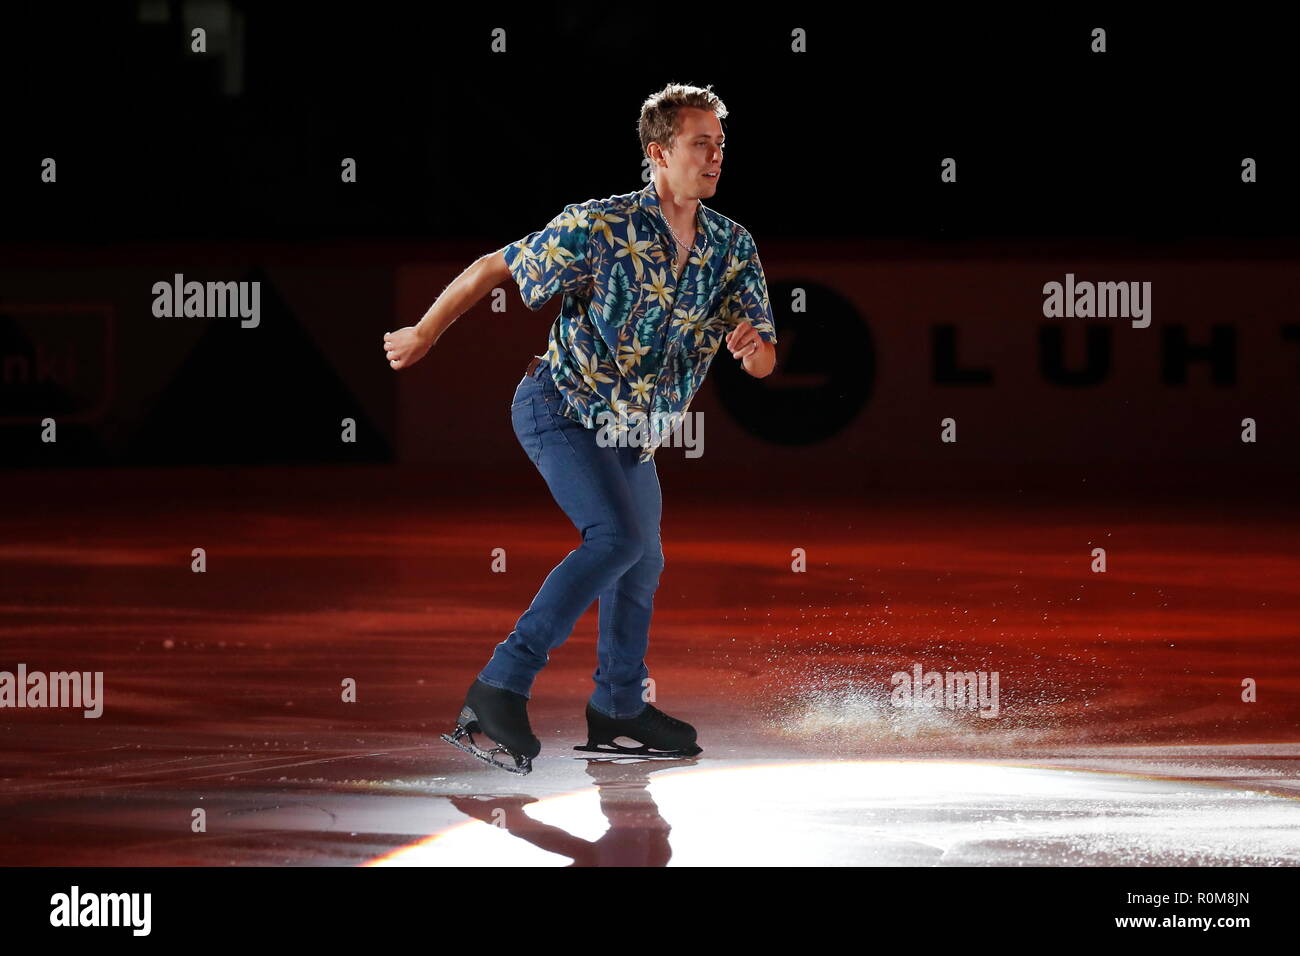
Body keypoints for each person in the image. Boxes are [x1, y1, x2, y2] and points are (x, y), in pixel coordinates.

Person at [383, 82, 777, 773]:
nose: (715, 156)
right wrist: (425, 330)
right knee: (618, 538)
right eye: (699, 144)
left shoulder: (731, 246)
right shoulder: (600, 225)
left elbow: (766, 361)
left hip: (633, 432)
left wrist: (753, 351)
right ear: (658, 153)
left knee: (642, 557)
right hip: (558, 405)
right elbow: (493, 267)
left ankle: (618, 709)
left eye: (720, 144)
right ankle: (498, 689)